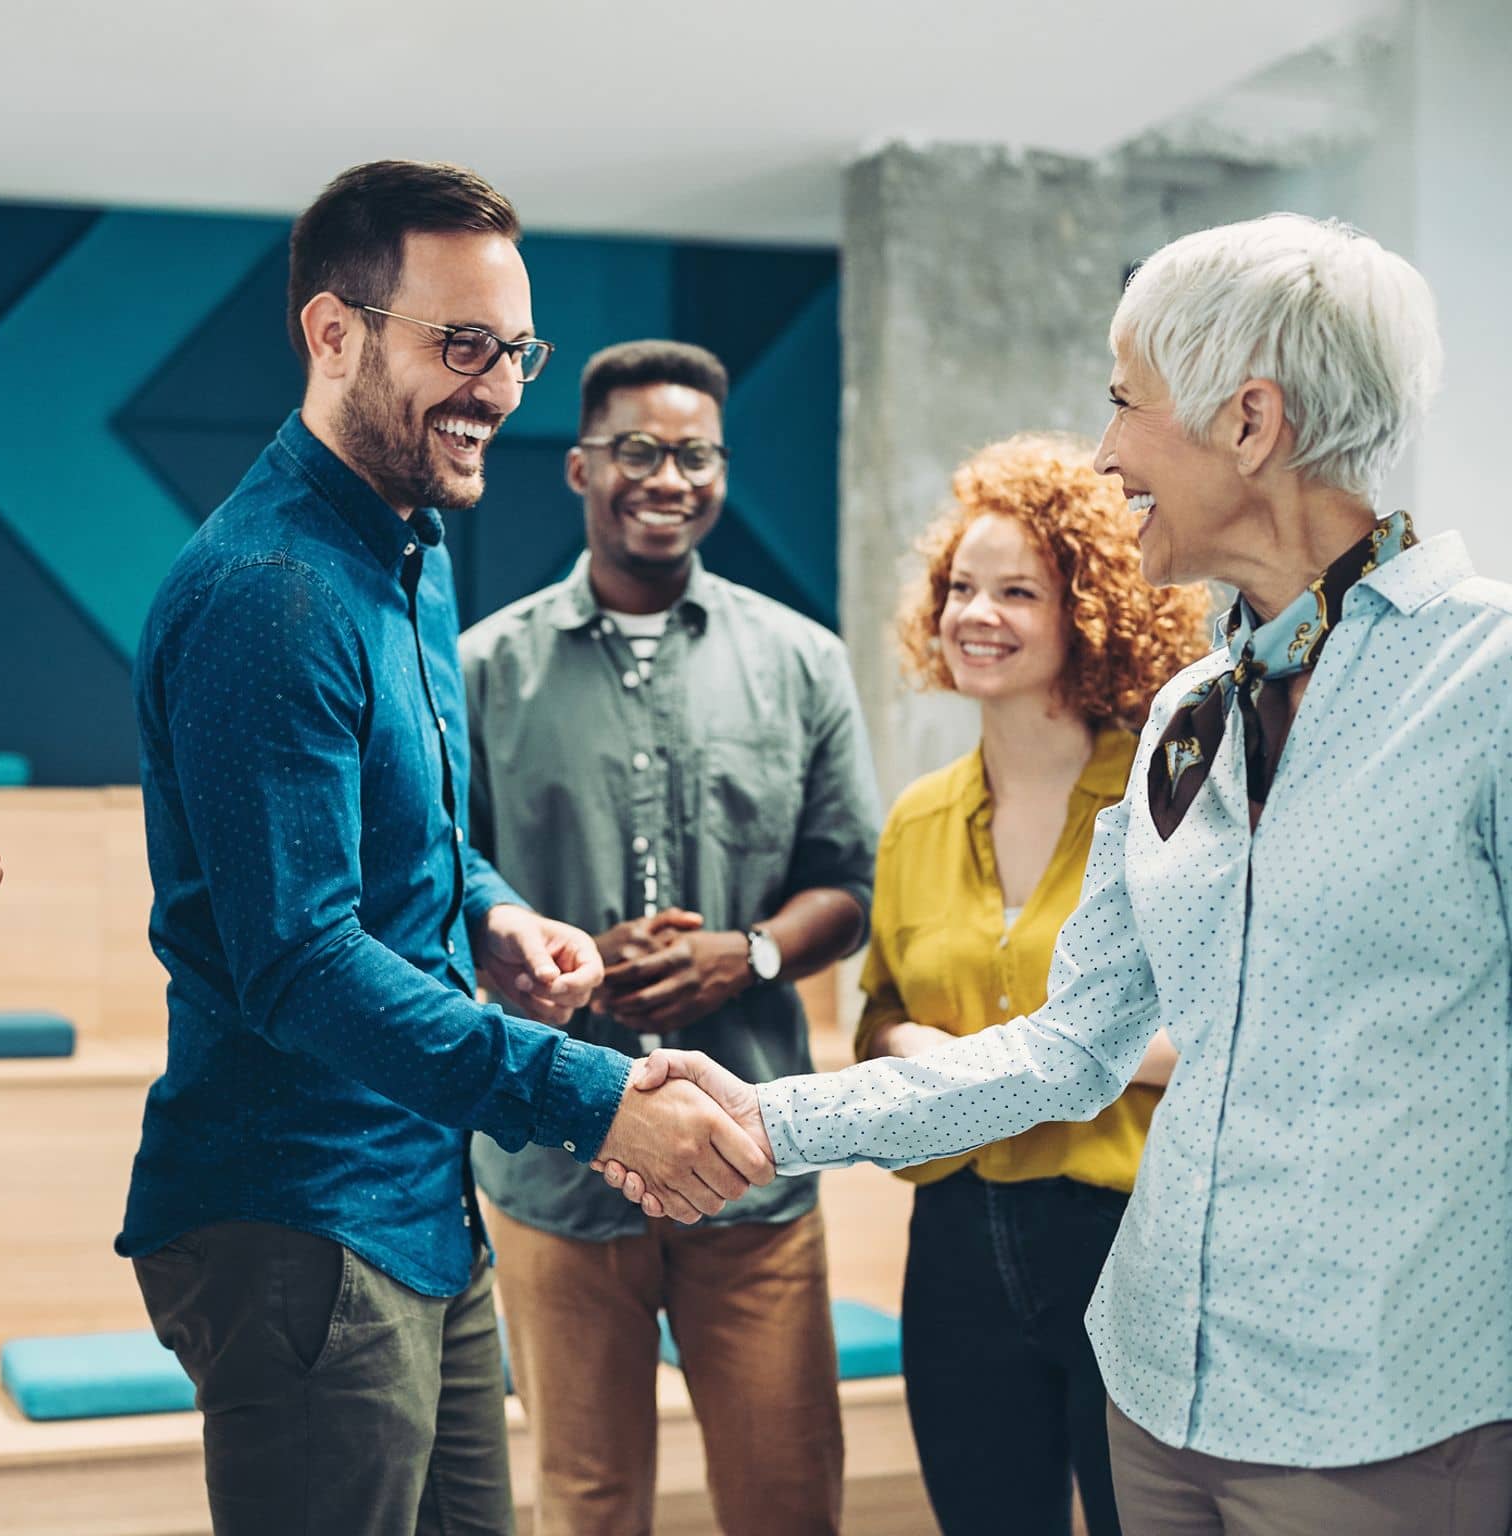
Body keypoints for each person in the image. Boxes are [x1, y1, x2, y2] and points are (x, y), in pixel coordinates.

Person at [605, 214, 1512, 1533]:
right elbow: (1070, 1046)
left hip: (1387, 1419)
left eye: (1125, 404)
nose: (1104, 452)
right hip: (1153, 1396)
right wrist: (767, 1116)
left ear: (1250, 421)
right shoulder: (1194, 714)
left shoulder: (1485, 684)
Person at [119, 161, 772, 1536]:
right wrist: (591, 1095)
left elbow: (411, 846)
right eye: (459, 346)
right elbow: (299, 966)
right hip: (301, 1221)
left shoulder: (407, 549)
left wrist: (488, 912)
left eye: (513, 349)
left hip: (420, 1189)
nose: (498, 388)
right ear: (334, 333)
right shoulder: (271, 593)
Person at [462, 339, 880, 1536]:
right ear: (581, 466)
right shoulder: (483, 669)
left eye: (694, 453)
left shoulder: (803, 661)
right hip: (558, 1160)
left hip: (751, 1157)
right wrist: (558, 953)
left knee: (785, 1493)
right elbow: (446, 877)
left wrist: (739, 954)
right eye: (637, 450)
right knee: (587, 1505)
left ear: (720, 470)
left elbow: (843, 882)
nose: (667, 476)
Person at [860, 432, 1207, 1536]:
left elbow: (1222, 1027)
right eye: (960, 587)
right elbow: (878, 1014)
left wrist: (1034, 1063)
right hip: (956, 1240)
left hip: (1126, 1238)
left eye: (1017, 590)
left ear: (1089, 609)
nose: (975, 613)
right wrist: (921, 1054)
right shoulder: (915, 816)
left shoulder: (1169, 805)